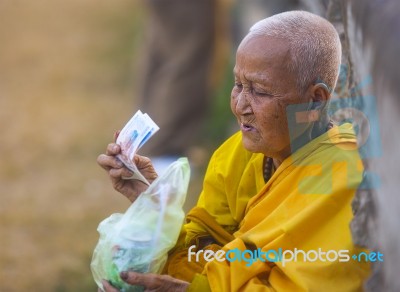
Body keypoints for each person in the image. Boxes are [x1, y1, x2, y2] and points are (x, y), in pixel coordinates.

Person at [97, 11, 370, 291]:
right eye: (238, 85)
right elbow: (199, 249)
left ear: (314, 100)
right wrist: (154, 206)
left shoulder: (341, 179)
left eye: (260, 92)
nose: (240, 105)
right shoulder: (239, 152)